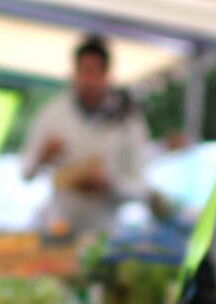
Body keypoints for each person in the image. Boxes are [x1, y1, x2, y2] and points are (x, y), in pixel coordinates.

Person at [20, 35, 152, 235]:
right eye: (83, 71)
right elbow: (25, 172)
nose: (87, 80)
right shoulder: (52, 115)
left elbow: (141, 186)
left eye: (94, 72)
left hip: (105, 233)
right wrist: (42, 157)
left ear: (107, 75)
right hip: (59, 228)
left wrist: (111, 185)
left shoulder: (128, 122)